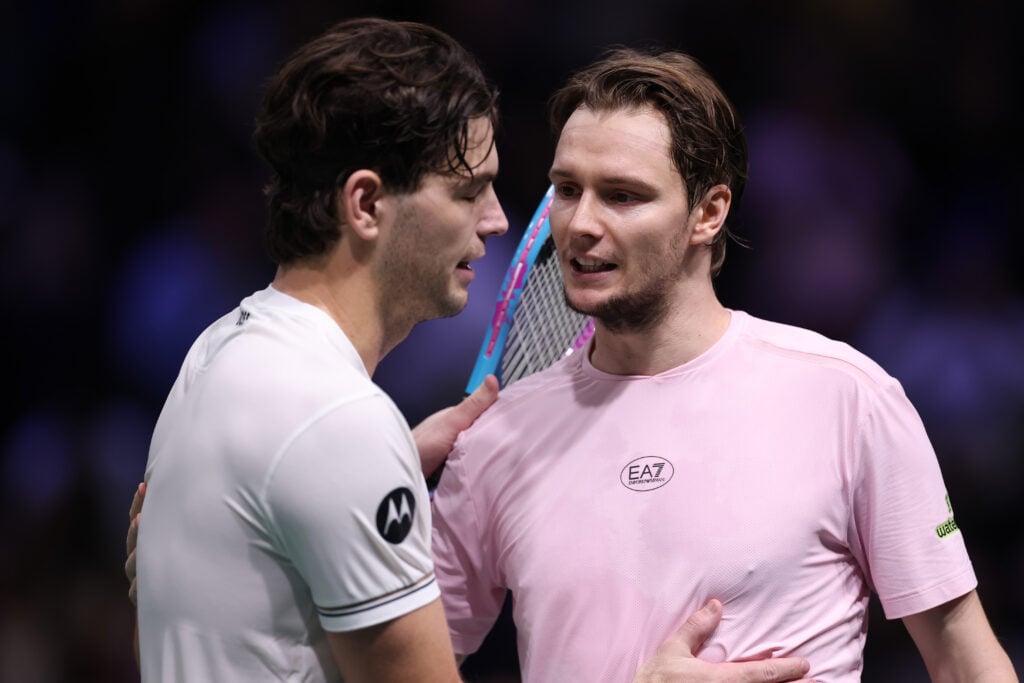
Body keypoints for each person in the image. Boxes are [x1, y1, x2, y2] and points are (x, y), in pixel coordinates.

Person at [128, 18, 818, 683]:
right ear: (365, 204)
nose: (497, 220)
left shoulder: (217, 353)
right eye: (467, 191)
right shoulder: (340, 426)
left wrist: (385, 462)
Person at [430, 48, 1019, 682]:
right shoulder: (495, 437)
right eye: (568, 190)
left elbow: (964, 659)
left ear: (709, 213)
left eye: (622, 196)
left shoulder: (847, 397)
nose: (580, 224)